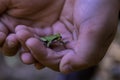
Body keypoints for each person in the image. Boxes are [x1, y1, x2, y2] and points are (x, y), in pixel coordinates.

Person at [0, 0, 119, 79]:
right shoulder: (54, 38)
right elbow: (49, 41)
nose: (60, 38)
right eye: (58, 37)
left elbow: (60, 40)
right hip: (45, 39)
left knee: (81, 52)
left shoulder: (59, 38)